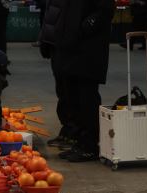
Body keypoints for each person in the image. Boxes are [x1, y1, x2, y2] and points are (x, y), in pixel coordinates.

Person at [39, 0, 115, 162]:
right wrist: (47, 38)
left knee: (86, 97)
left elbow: (105, 10)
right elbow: (53, 10)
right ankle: (79, 141)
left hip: (87, 49)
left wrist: (86, 26)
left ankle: (90, 146)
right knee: (71, 96)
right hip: (67, 46)